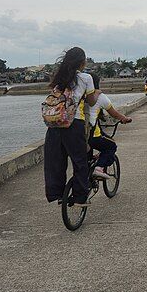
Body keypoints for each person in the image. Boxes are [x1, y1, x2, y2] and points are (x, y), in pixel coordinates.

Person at [43, 47, 101, 206]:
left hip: (54, 124)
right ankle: (80, 198)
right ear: (82, 62)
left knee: (55, 161)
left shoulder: (59, 78)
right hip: (73, 124)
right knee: (80, 161)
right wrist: (96, 93)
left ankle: (57, 193)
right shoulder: (86, 78)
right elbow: (91, 102)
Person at [86, 75, 132, 180]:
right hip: (92, 135)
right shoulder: (100, 96)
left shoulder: (79, 95)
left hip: (77, 134)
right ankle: (99, 168)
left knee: (85, 161)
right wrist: (124, 119)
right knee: (111, 146)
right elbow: (114, 114)